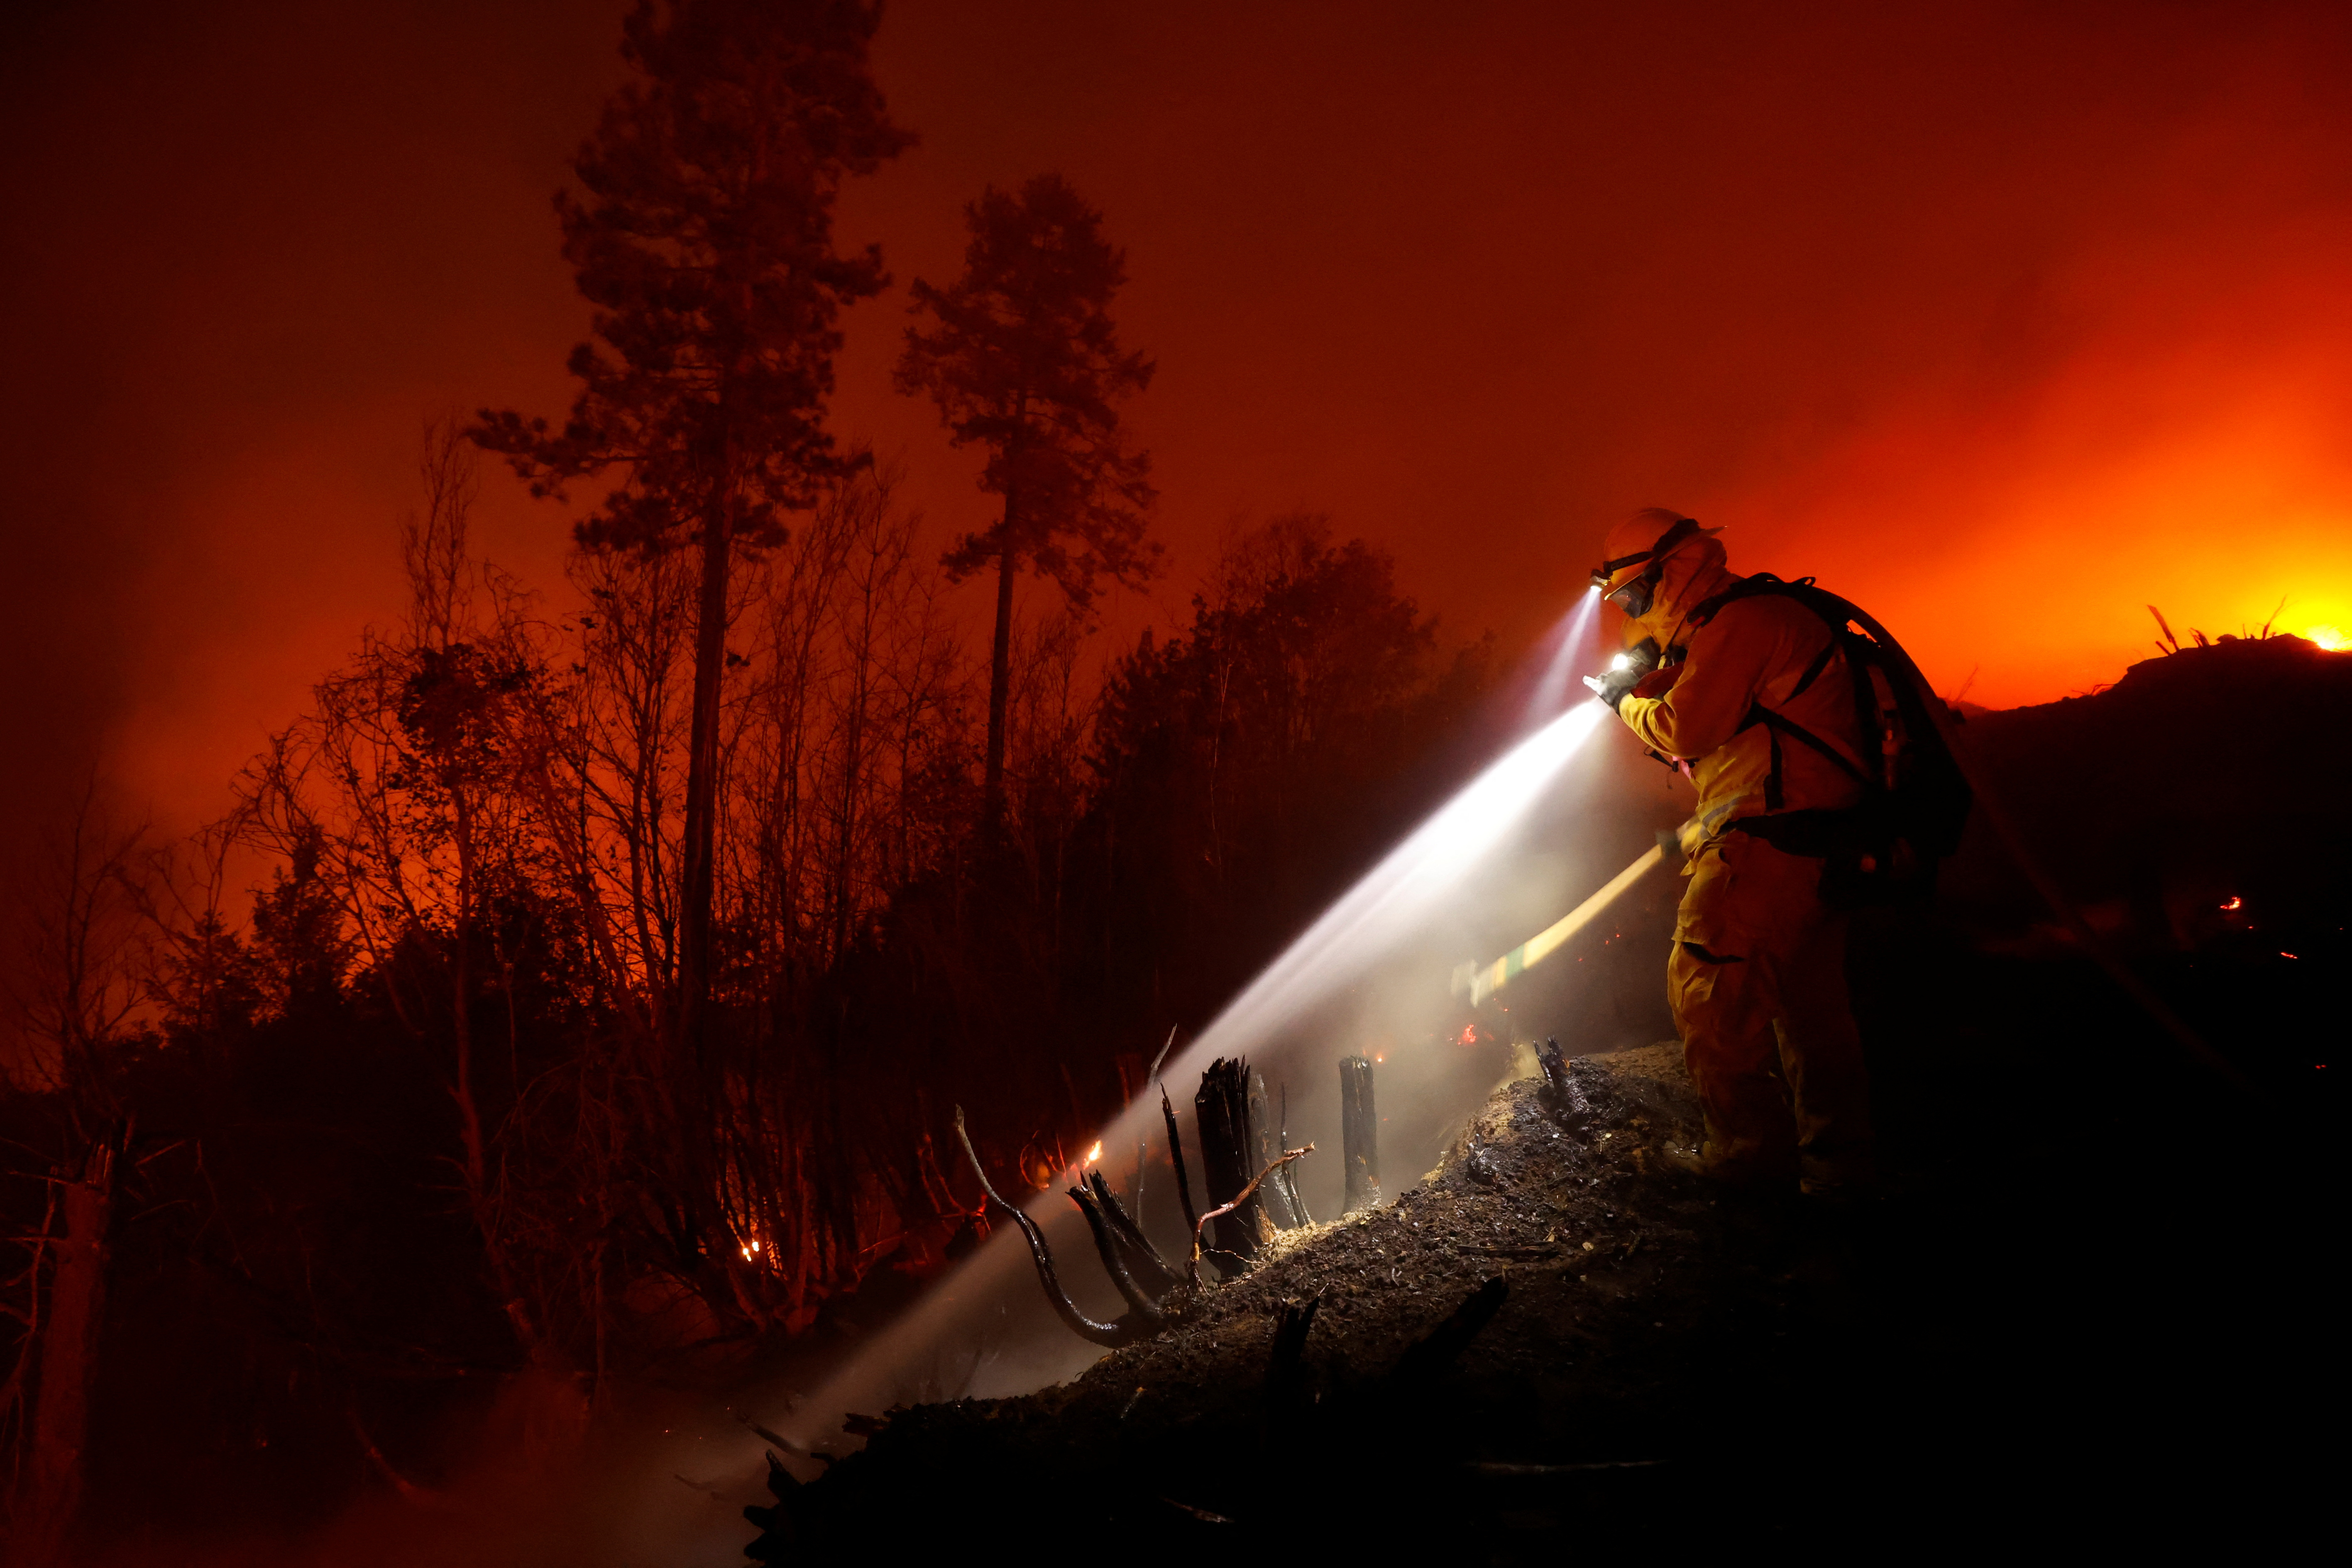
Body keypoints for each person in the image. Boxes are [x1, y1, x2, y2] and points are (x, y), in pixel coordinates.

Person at [1586, 508, 1876, 1197]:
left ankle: (1749, 1164)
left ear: (1671, 571)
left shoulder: (1738, 624)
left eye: (1634, 595)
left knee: (1705, 993)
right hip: (1814, 842)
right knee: (1809, 1013)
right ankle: (1839, 1171)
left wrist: (1625, 701)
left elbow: (1687, 729)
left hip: (1767, 843)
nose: (1632, 609)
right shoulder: (1745, 620)